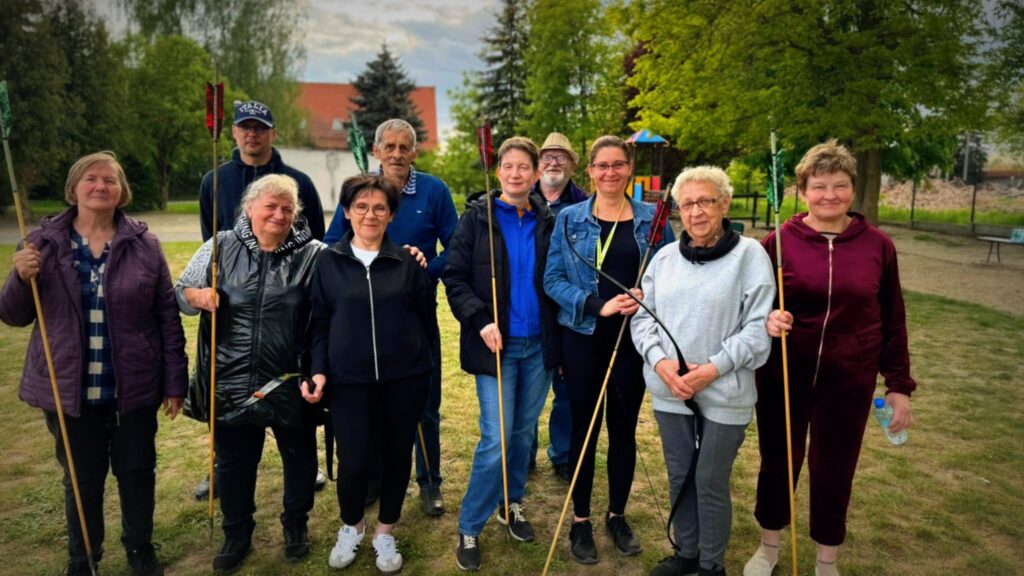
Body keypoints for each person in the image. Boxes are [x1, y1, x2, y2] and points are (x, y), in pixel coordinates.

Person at [0, 151, 187, 576]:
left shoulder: (145, 245)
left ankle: (140, 548)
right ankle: (83, 557)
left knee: (137, 471)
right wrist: (20, 277)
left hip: (133, 387)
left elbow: (166, 317)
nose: (100, 186)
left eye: (110, 180)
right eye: (91, 179)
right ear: (74, 188)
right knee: (82, 477)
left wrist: (175, 383)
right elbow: (12, 314)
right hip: (71, 389)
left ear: (122, 191)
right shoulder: (40, 243)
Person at [743, 140, 916, 576]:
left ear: (852, 189)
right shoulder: (777, 242)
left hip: (849, 380)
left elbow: (893, 318)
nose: (829, 195)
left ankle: (826, 559)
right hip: (784, 375)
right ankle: (768, 547)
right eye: (819, 186)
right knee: (778, 462)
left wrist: (899, 385)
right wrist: (768, 319)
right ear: (803, 191)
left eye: (839, 185)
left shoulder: (878, 245)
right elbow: (752, 307)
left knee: (834, 469)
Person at [176, 174, 324, 573]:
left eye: (287, 208)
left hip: (289, 379)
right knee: (234, 462)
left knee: (300, 458)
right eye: (270, 206)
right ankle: (237, 533)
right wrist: (196, 296)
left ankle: (296, 525)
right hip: (231, 378)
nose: (279, 215)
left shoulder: (314, 254)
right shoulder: (220, 246)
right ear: (249, 208)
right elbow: (181, 292)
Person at [632, 167, 775, 576]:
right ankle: (687, 553)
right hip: (671, 389)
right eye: (687, 204)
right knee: (681, 475)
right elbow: (643, 319)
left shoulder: (750, 256)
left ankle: (712, 566)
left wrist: (711, 370)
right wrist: (662, 364)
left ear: (724, 204)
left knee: (710, 479)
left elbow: (757, 329)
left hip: (726, 391)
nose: (696, 212)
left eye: (706, 201)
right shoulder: (664, 258)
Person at [543, 135, 674, 565]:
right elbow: (552, 280)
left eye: (618, 164)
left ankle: (616, 515)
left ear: (629, 168)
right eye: (602, 165)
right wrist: (597, 305)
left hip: (632, 341)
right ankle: (580, 520)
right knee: (584, 429)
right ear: (591, 171)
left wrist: (647, 296)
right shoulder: (569, 219)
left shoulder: (654, 219)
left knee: (623, 428)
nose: (610, 172)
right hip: (583, 338)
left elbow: (672, 275)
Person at [324, 118, 458, 516]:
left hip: (415, 314)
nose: (397, 154)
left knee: (424, 404)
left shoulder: (434, 190)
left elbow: (457, 247)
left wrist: (425, 268)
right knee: (375, 403)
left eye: (404, 147)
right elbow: (332, 244)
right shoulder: (361, 190)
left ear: (414, 152)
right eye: (390, 147)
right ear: (377, 151)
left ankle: (430, 481)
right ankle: (376, 478)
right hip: (364, 319)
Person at [194, 99, 327, 501]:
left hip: (287, 311)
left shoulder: (299, 181)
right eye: (245, 127)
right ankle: (222, 467)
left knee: (292, 411)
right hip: (235, 309)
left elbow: (315, 241)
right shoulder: (214, 180)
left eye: (260, 127)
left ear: (273, 133)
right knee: (231, 404)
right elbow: (211, 240)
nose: (252, 134)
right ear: (234, 131)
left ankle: (305, 473)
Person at [443, 136, 560, 571]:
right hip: (496, 346)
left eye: (523, 167)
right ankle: (470, 525)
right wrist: (480, 319)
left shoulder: (547, 220)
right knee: (497, 438)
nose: (515, 174)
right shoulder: (476, 219)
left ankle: (511, 503)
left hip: (538, 345)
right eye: (508, 166)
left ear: (535, 174)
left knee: (524, 434)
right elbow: (454, 277)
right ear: (498, 172)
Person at [311, 174, 436, 574]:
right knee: (354, 460)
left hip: (405, 379)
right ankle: (353, 526)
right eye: (361, 207)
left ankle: (385, 530)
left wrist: (425, 369)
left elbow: (427, 321)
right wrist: (318, 370)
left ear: (391, 214)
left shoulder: (408, 262)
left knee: (398, 455)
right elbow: (318, 323)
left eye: (380, 207)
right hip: (349, 381)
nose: (370, 214)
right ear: (347, 212)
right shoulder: (328, 262)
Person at [528, 132, 588, 483]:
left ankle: (563, 454)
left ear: (573, 165)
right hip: (529, 311)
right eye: (547, 156)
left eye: (561, 156)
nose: (553, 162)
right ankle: (525, 452)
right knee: (528, 391)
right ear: (538, 164)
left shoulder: (585, 206)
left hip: (568, 311)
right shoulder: (521, 199)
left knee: (566, 389)